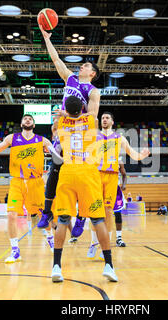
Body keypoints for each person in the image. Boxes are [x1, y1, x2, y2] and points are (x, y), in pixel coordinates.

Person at [37, 22, 101, 229]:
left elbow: (92, 115)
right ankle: (47, 212)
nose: (82, 66)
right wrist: (46, 38)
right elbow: (56, 59)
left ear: (92, 73)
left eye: (87, 66)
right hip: (62, 130)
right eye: (83, 65)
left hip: (80, 134)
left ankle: (81, 218)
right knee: (55, 170)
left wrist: (69, 114)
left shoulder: (93, 91)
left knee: (80, 175)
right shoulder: (70, 79)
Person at [51, 96, 118, 282]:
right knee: (98, 221)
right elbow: (94, 99)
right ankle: (109, 266)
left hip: (67, 172)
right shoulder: (91, 119)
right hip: (88, 172)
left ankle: (56, 266)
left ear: (66, 110)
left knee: (63, 220)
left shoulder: (60, 122)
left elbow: (64, 117)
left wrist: (65, 113)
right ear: (82, 107)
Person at [0, 114, 54, 263]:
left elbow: (55, 153)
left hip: (36, 182)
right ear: (21, 123)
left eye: (30, 119)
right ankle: (15, 250)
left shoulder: (42, 140)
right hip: (17, 181)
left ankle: (50, 237)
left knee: (42, 215)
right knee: (11, 215)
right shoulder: (12, 138)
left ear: (34, 125)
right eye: (25, 119)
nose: (27, 120)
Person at [87, 111, 150, 259]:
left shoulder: (119, 138)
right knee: (95, 210)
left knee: (108, 212)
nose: (104, 119)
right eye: (102, 118)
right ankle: (93, 243)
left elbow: (133, 154)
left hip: (111, 176)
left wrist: (142, 155)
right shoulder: (94, 136)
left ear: (112, 122)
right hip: (95, 174)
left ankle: (106, 246)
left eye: (107, 118)